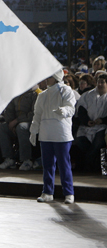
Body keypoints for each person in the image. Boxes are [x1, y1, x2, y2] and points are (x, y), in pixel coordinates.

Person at [29, 69, 76, 204]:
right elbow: (37, 115)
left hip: (61, 133)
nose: (46, 79)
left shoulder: (66, 91)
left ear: (55, 77)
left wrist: (64, 111)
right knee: (48, 164)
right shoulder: (42, 95)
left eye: (49, 77)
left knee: (63, 164)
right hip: (46, 134)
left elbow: (71, 108)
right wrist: (34, 131)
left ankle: (69, 192)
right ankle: (47, 192)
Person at [0, 89, 38, 171]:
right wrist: (10, 123)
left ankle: (26, 160)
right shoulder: (16, 94)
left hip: (30, 123)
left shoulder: (35, 94)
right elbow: (9, 111)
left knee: (21, 127)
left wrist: (17, 121)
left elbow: (34, 113)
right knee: (2, 128)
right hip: (16, 123)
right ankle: (9, 158)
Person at [73, 72, 107, 171]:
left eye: (102, 82)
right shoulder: (88, 95)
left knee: (98, 143)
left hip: (102, 127)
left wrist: (102, 120)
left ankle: (88, 165)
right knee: (80, 141)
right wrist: (87, 121)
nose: (100, 84)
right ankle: (94, 162)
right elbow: (81, 110)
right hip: (87, 126)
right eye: (98, 82)